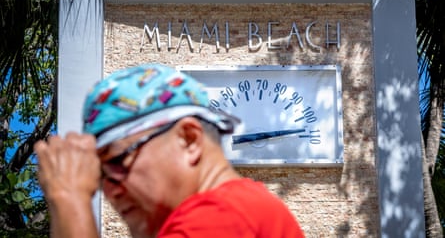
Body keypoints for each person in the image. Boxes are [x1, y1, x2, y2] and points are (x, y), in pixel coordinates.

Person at [34, 63, 305, 238]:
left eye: (117, 160)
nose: (109, 190)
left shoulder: (220, 217)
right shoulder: (241, 210)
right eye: (100, 175)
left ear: (188, 140)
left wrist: (69, 197)